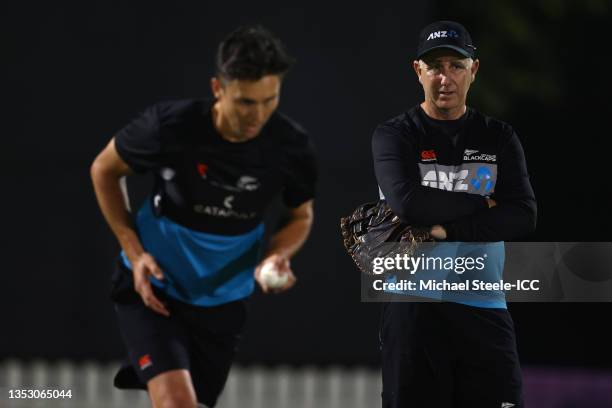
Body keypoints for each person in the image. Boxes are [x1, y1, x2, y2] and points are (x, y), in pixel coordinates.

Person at [90, 25, 316, 408]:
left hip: (223, 302)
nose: (257, 116)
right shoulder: (169, 126)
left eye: (269, 100)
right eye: (245, 102)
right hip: (153, 288)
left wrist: (279, 255)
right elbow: (104, 170)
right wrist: (134, 251)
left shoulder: (291, 147)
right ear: (218, 89)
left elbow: (300, 216)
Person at [372, 21, 536, 407]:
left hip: (482, 305)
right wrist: (484, 205)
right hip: (413, 307)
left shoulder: (498, 137)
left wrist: (444, 229)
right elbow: (408, 203)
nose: (445, 77)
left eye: (456, 65)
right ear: (418, 71)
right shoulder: (395, 134)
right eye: (435, 66)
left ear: (473, 70)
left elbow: (524, 215)